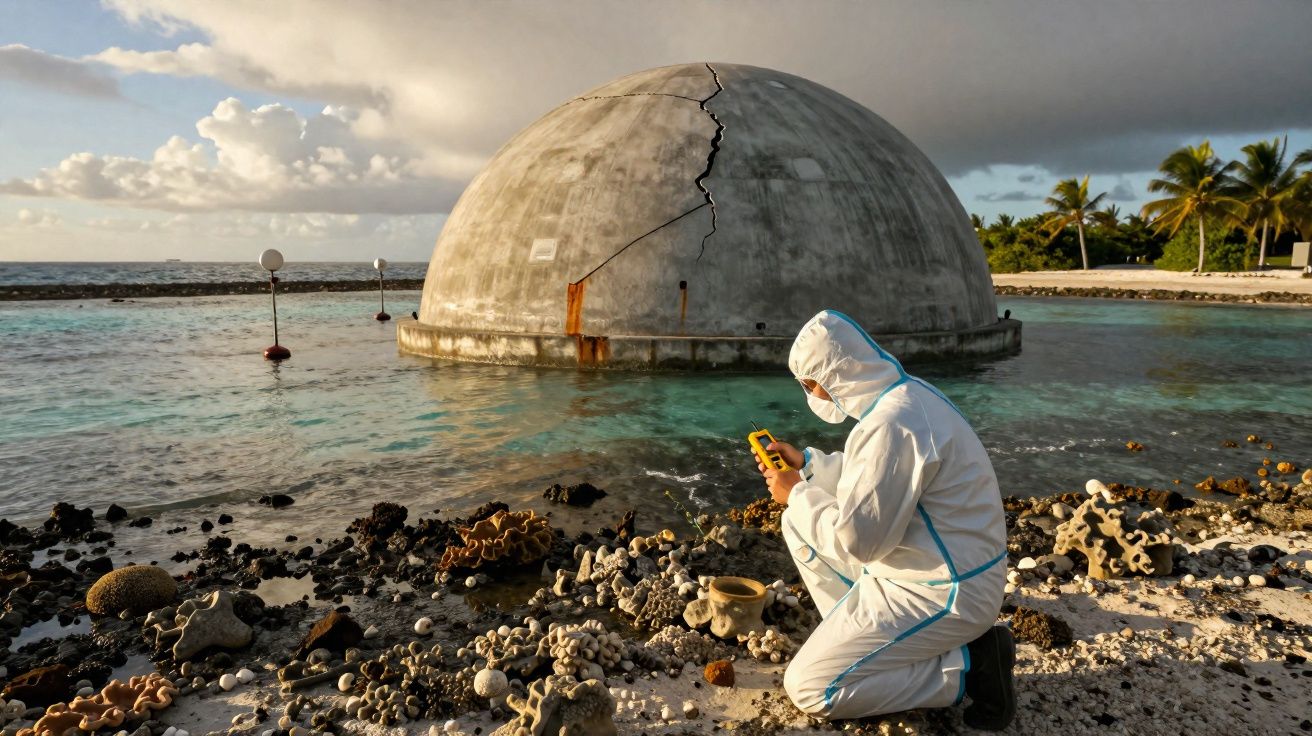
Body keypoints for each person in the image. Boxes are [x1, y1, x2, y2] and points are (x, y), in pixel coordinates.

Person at [757, 310, 1015, 730]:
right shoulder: (907, 397)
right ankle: (873, 649)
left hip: (945, 591)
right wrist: (806, 464)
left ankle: (969, 667)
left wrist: (797, 492)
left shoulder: (891, 425)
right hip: (939, 569)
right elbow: (877, 480)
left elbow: (859, 542)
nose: (811, 396)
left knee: (810, 688)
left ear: (834, 376)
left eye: (809, 384)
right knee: (798, 523)